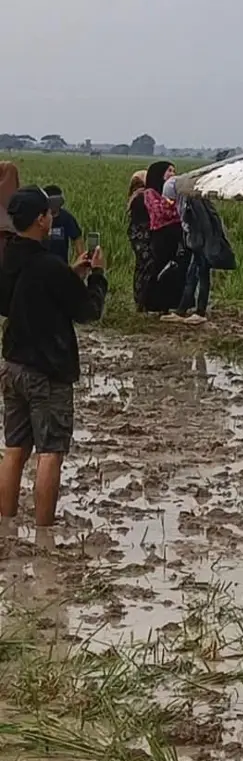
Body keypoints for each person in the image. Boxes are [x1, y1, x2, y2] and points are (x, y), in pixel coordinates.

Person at [0, 187, 107, 526]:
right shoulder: (48, 265)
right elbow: (88, 311)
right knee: (50, 451)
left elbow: (18, 299)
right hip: (48, 371)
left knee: (15, 447)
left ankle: (6, 523)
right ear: (40, 220)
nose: (51, 217)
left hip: (13, 364)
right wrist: (97, 277)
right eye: (48, 212)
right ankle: (44, 531)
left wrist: (71, 274)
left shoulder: (9, 259)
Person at [128, 162, 188, 314]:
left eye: (174, 170)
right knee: (148, 270)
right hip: (147, 239)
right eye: (169, 170)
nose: (173, 174)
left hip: (164, 239)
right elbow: (148, 220)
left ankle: (167, 303)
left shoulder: (168, 196)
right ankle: (146, 303)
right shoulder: (145, 197)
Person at [42, 185, 83, 264]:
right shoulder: (40, 219)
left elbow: (77, 238)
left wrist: (80, 259)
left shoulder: (66, 218)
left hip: (62, 264)